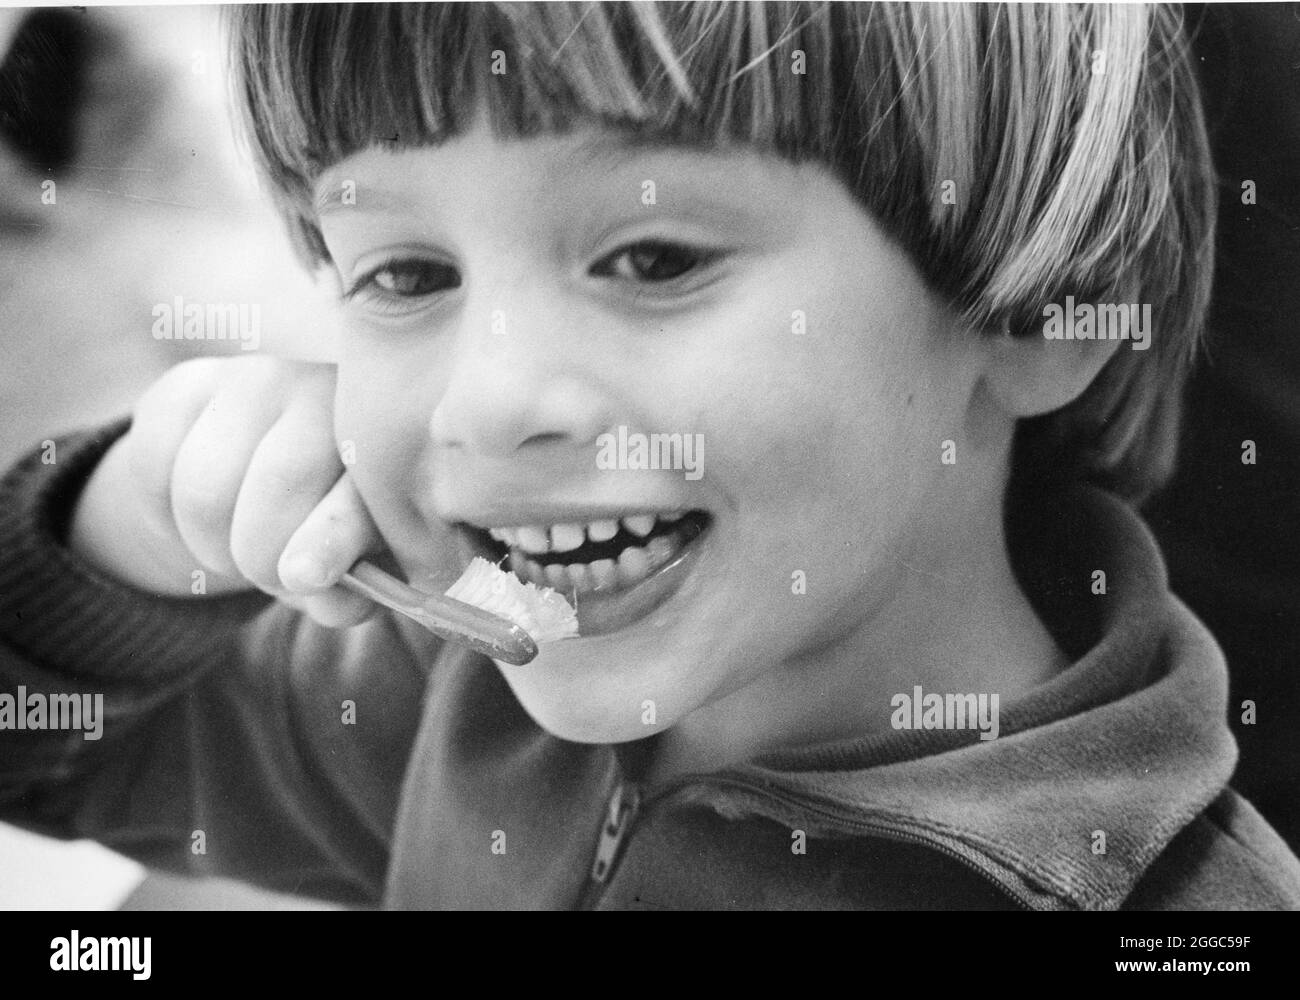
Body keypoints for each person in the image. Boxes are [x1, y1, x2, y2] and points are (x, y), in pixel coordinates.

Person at [1, 2, 1297, 910]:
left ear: (1039, 313)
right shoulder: (430, 695)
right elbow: (43, 758)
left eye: (653, 258)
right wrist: (127, 534)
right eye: (407, 273)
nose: (487, 404)